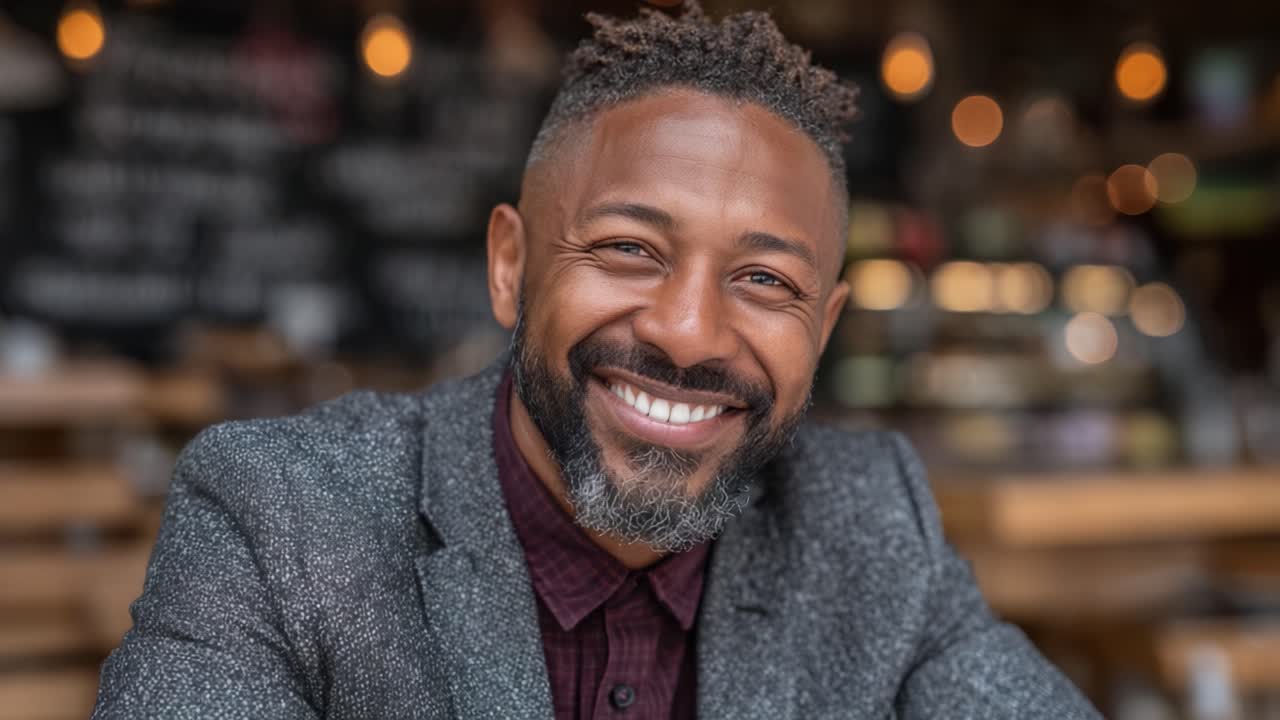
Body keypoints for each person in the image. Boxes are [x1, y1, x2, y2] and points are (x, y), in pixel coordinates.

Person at [93, 3, 1101, 718]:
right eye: (629, 250)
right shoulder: (282, 518)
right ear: (509, 266)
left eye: (762, 280)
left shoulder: (871, 523)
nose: (688, 332)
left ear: (824, 328)